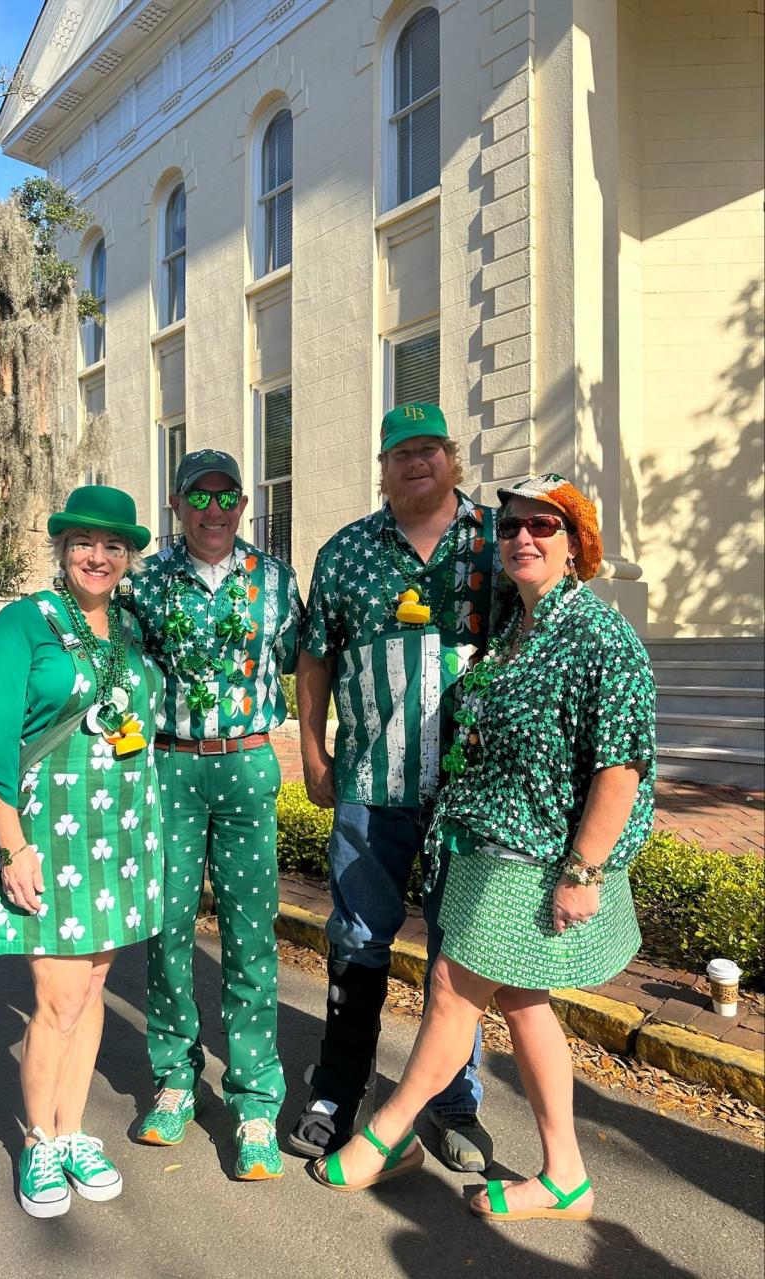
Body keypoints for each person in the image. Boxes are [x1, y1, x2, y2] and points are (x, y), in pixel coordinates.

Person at [311, 473, 655, 1224]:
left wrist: (584, 869)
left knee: (452, 991)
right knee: (525, 1003)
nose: (522, 538)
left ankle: (387, 1134)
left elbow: (620, 764)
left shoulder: (598, 632)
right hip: (485, 847)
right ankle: (565, 1173)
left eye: (542, 526)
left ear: (577, 545)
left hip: (531, 859)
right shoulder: (517, 627)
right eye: (509, 528)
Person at [289, 402, 499, 1171]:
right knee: (355, 938)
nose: (416, 462)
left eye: (429, 448)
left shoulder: (494, 542)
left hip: (473, 792)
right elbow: (316, 657)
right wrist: (314, 752)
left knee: (461, 947)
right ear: (383, 467)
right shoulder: (346, 552)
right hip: (372, 782)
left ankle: (451, 1103)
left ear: (452, 457)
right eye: (400, 452)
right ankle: (340, 1086)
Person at [0, 486, 167, 1219]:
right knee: (56, 998)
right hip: (46, 838)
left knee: (89, 996)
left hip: (120, 837)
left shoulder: (129, 631)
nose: (99, 555)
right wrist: (12, 845)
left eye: (114, 545)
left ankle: (75, 1127)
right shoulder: (26, 623)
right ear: (63, 548)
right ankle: (38, 1141)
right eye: (85, 540)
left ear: (128, 557)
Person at [126, 448, 303, 1181]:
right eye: (198, 498)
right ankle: (174, 1076)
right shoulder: (145, 583)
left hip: (247, 762)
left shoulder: (276, 582)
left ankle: (255, 1100)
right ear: (177, 505)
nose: (213, 510)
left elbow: (307, 660)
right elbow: (120, 674)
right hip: (169, 763)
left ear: (242, 505)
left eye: (226, 496)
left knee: (249, 933)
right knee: (166, 924)